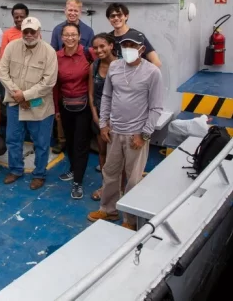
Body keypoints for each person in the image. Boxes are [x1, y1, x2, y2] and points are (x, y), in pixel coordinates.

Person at [88, 31, 164, 230]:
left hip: (136, 135)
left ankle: (130, 220)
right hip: (114, 131)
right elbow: (106, 97)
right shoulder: (114, 67)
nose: (128, 49)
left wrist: (144, 134)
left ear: (141, 49)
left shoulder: (152, 73)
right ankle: (108, 210)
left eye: (133, 45)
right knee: (110, 172)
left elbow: (156, 108)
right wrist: (104, 124)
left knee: (133, 179)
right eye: (125, 45)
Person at [0, 16, 58, 190]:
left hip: (39, 105)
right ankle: (16, 170)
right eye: (26, 31)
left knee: (41, 142)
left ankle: (39, 174)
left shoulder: (49, 52)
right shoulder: (11, 47)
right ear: (22, 31)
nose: (29, 34)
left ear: (39, 32)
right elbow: (3, 72)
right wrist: (17, 95)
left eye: (33, 31)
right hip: (15, 102)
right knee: (13, 139)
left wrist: (25, 96)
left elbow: (48, 82)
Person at [53, 23, 96, 199]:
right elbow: (55, 86)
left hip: (84, 105)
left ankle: (78, 181)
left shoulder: (89, 53)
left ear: (79, 36)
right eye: (66, 35)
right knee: (69, 141)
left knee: (80, 143)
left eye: (73, 35)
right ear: (61, 37)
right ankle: (73, 168)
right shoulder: (56, 57)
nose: (70, 38)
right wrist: (56, 109)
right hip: (65, 105)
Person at [87, 33, 119, 201]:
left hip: (119, 118)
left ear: (111, 46)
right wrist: (96, 116)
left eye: (102, 46)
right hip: (100, 116)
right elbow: (91, 94)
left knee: (120, 155)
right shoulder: (94, 66)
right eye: (96, 47)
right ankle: (106, 185)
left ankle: (121, 188)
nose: (99, 50)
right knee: (103, 152)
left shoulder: (122, 65)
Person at [105, 3, 162, 67]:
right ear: (108, 19)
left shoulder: (137, 36)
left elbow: (156, 62)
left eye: (119, 15)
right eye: (112, 16)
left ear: (126, 16)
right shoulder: (107, 38)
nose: (116, 18)